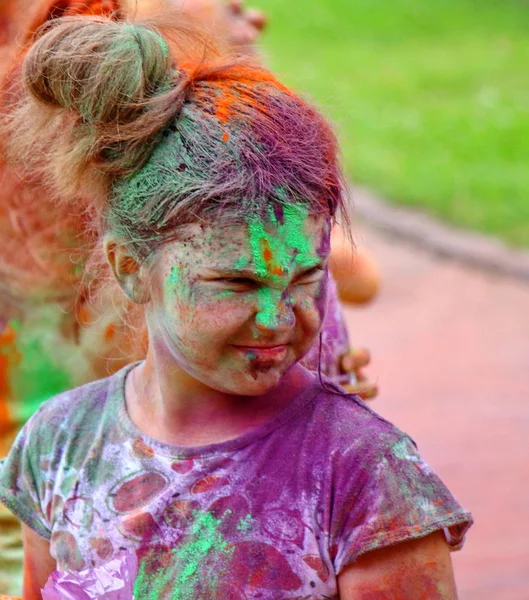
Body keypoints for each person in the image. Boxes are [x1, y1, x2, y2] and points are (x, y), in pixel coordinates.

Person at [0, 12, 471, 599]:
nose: (280, 320)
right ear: (129, 268)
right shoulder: (61, 444)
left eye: (306, 278)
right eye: (237, 284)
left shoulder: (364, 475)